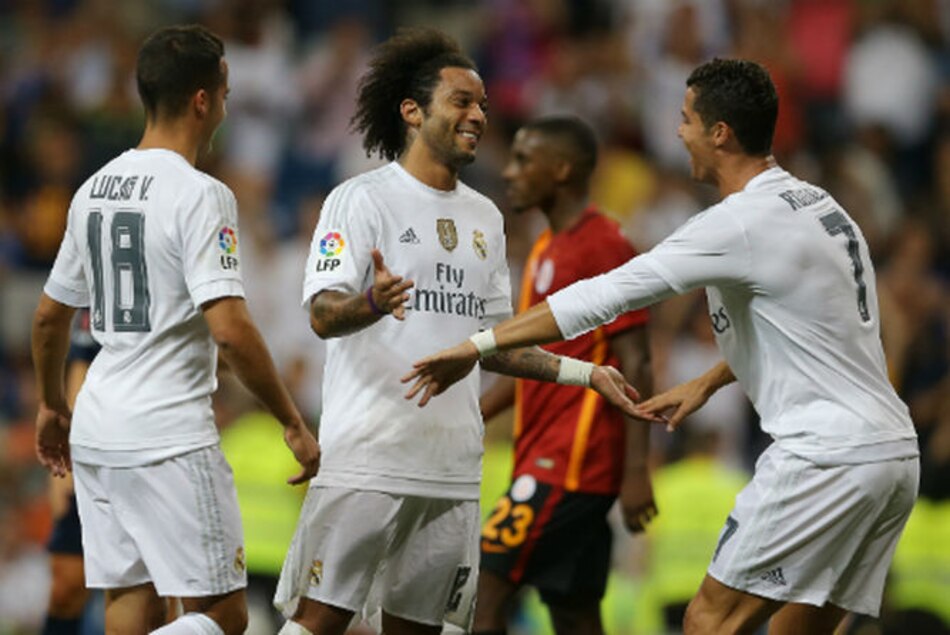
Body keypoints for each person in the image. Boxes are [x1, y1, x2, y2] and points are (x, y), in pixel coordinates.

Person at [404, 58, 920, 635]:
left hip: (823, 456)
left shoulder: (740, 223)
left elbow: (608, 295)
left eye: (686, 119)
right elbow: (830, 331)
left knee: (707, 622)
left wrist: (477, 344)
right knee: (795, 630)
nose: (678, 133)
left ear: (720, 133)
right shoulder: (821, 206)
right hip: (891, 457)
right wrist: (710, 379)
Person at [273, 28, 642, 635]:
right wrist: (370, 301)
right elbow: (322, 314)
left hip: (452, 470)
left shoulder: (486, 217)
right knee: (318, 620)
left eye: (483, 106)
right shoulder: (361, 200)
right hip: (369, 457)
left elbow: (496, 345)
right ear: (412, 111)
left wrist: (586, 373)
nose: (478, 116)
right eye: (462, 102)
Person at [32, 24, 320, 635]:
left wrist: (53, 406)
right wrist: (291, 420)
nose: (225, 105)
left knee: (129, 602)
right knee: (224, 614)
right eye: (225, 91)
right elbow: (231, 331)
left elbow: (49, 316)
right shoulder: (200, 194)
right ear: (201, 100)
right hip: (168, 434)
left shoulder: (92, 191)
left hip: (100, 428)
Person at [473, 116, 656, 635]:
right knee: (574, 617)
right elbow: (537, 362)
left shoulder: (602, 243)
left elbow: (636, 359)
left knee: (482, 602)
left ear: (561, 169)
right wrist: (473, 414)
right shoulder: (544, 248)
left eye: (523, 160)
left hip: (570, 465)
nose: (508, 172)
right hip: (547, 458)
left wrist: (637, 469)